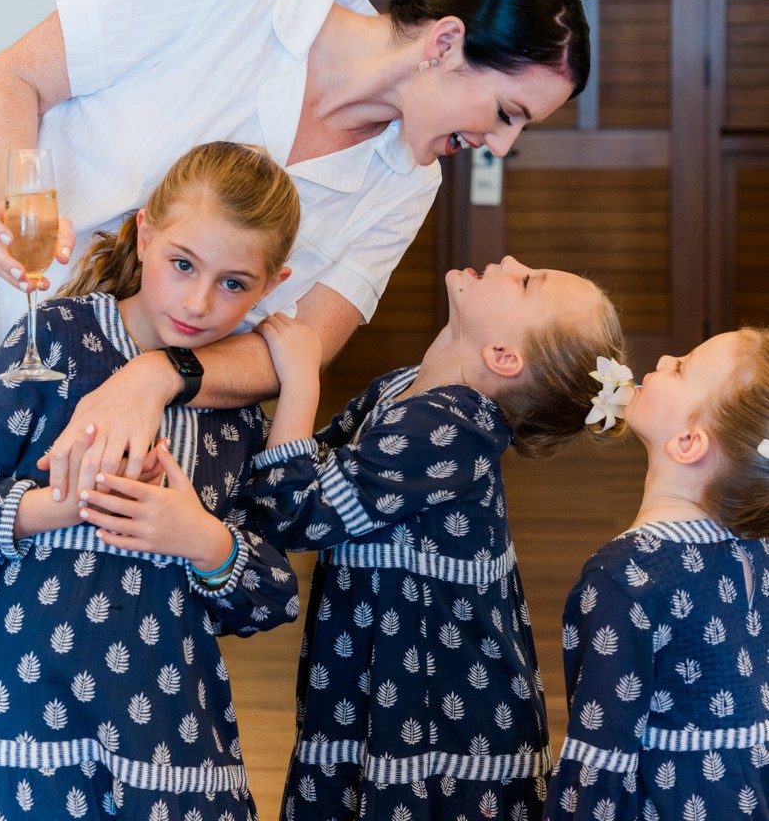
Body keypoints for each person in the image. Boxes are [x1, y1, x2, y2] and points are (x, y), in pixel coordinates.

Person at [0, 0, 589, 498]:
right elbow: (8, 81)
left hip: (86, 456)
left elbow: (295, 348)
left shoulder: (405, 186)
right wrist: (22, 206)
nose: (499, 147)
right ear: (444, 42)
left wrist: (153, 378)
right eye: (505, 114)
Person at [82, 255, 627, 820]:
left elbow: (293, 511)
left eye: (527, 281)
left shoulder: (455, 428)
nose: (512, 262)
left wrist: (300, 378)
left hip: (443, 717)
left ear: (504, 358)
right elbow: (300, 471)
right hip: (376, 683)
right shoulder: (404, 389)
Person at [0, 141, 314, 821]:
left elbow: (270, 597)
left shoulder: (235, 407)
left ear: (273, 285)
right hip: (20, 730)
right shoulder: (53, 339)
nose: (199, 301)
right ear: (145, 232)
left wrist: (203, 541)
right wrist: (57, 506)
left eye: (233, 283)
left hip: (173, 751)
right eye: (182, 264)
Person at [543, 329, 769, 821]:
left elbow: (599, 757)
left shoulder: (624, 579)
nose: (664, 357)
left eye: (682, 366)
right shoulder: (755, 550)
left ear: (687, 443)